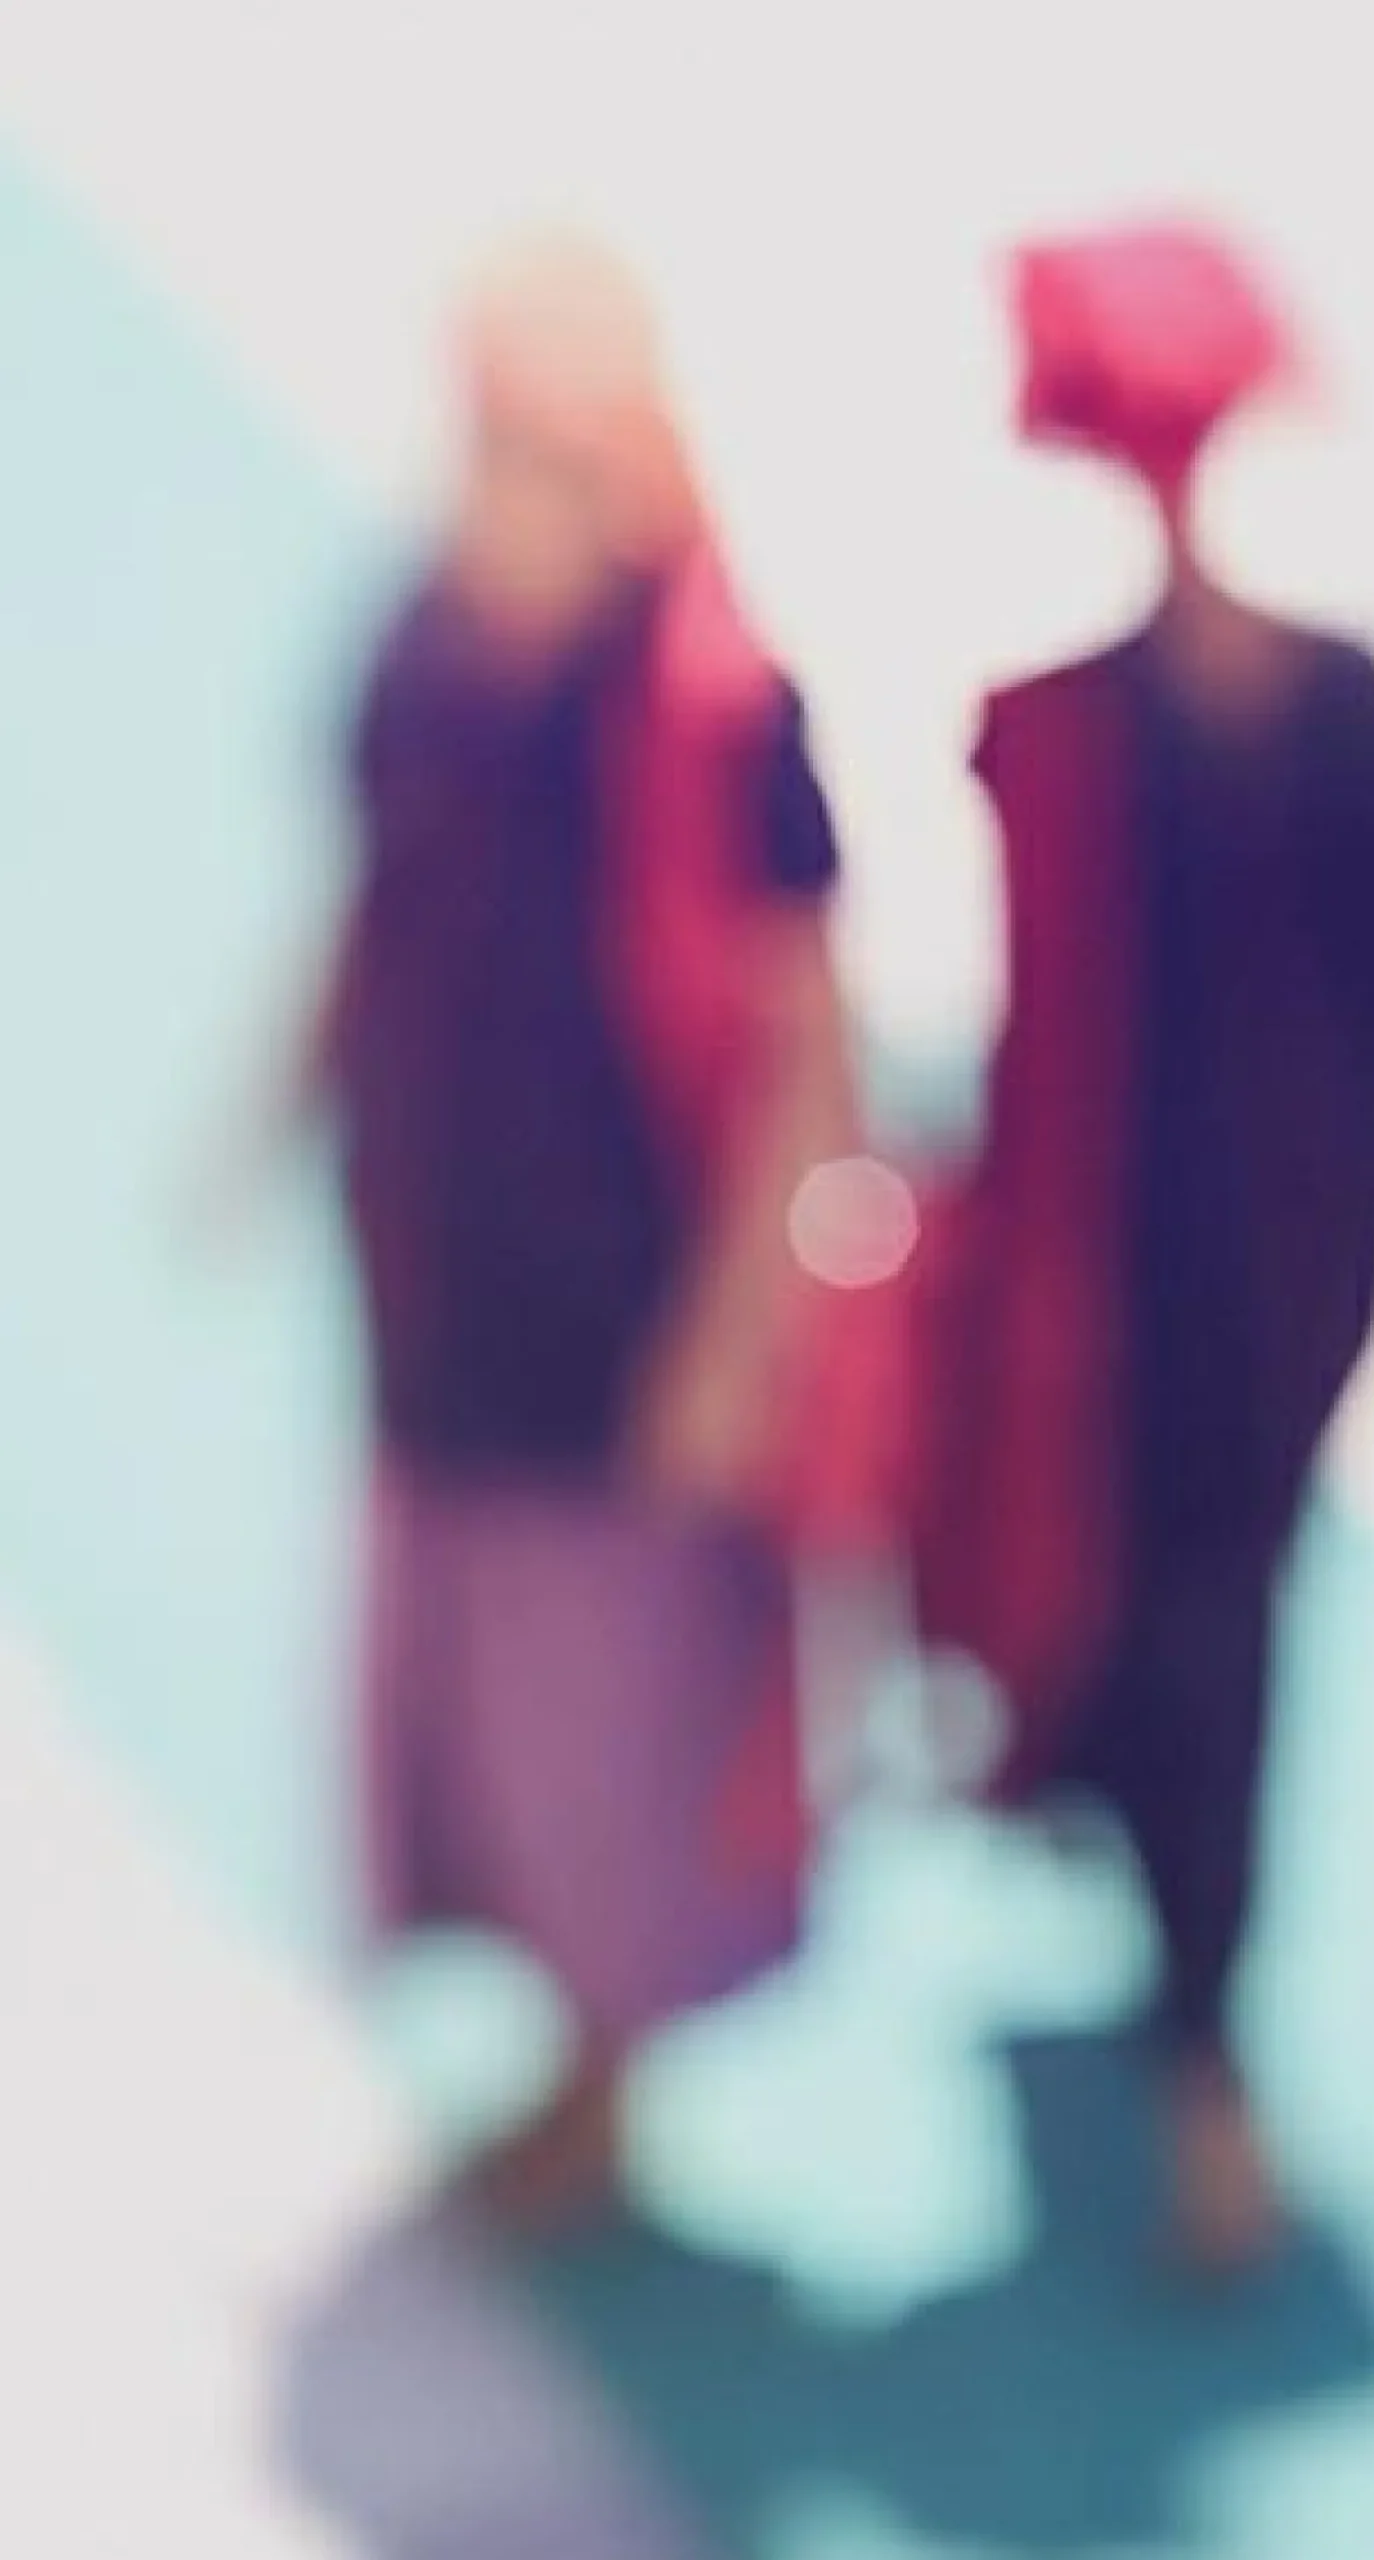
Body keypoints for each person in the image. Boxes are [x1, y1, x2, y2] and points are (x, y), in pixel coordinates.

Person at [261, 236, 869, 2225]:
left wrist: (738, 1333)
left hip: (620, 1332)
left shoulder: (713, 706)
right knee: (469, 1716)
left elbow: (809, 1050)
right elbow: (376, 906)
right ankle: (548, 2040)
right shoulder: (424, 652)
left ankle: (601, 2082)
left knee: (614, 1739)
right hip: (437, 1306)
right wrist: (275, 1099)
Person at [911, 222, 1374, 2271]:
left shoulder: (1087, 730)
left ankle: (1202, 2055)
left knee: (1181, 1618)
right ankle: (1177, 1988)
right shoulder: (1312, 707)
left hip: (1169, 1289)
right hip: (1246, 1273)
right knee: (1200, 1614)